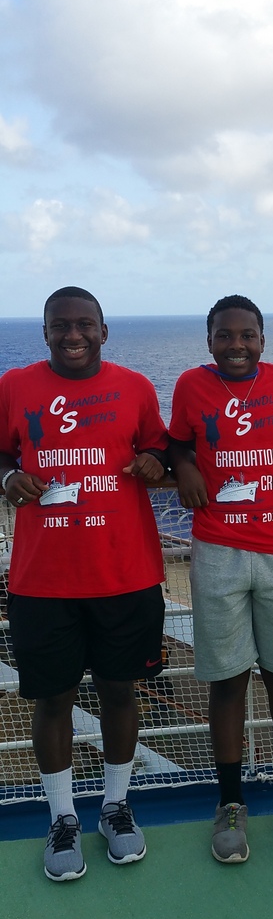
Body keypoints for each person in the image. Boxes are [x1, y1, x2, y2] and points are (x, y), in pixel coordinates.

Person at [0, 286, 168, 880]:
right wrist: (10, 475)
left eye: (84, 325)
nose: (72, 335)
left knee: (121, 693)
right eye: (59, 325)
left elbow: (160, 454)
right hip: (43, 581)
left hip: (126, 575)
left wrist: (156, 464)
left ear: (104, 330)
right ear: (43, 331)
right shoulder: (15, 386)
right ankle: (63, 817)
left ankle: (117, 808)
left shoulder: (137, 388)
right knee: (54, 701)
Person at [168, 294, 273, 861]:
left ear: (263, 340)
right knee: (227, 680)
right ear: (209, 341)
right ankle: (230, 802)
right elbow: (176, 441)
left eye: (247, 336)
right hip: (217, 551)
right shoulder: (191, 386)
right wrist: (185, 465)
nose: (236, 345)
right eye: (224, 336)